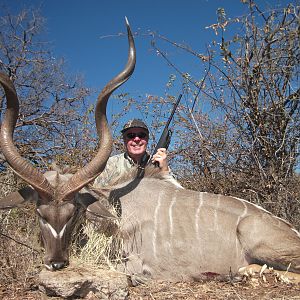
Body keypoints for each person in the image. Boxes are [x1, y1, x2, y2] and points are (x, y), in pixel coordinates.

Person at [93, 119, 183, 189]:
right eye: (131, 135)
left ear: (147, 139)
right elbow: (97, 193)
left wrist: (164, 170)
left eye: (141, 135)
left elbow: (176, 193)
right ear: (124, 140)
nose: (136, 139)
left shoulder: (158, 162)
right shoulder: (110, 164)